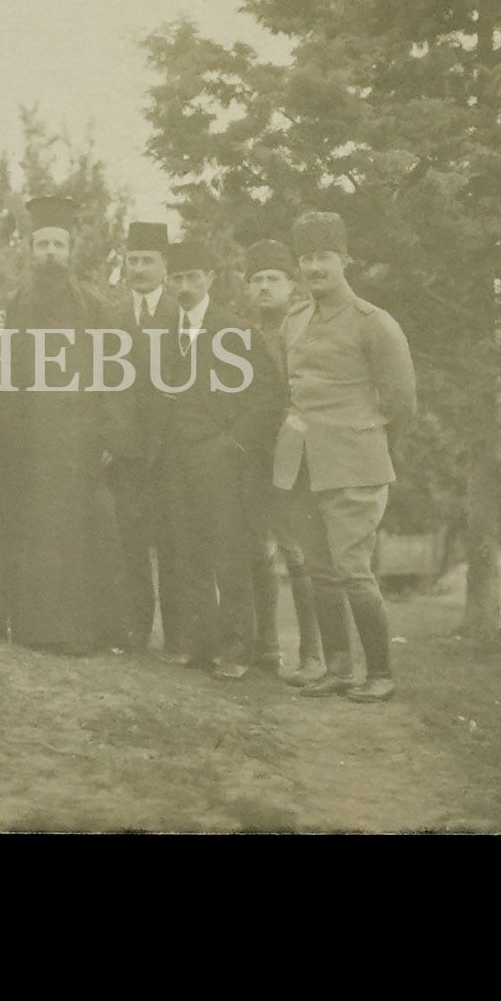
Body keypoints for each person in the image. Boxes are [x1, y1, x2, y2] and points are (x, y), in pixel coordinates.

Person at [274, 212, 416, 703]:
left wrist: (371, 447)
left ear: (345, 260)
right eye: (307, 258)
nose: (315, 267)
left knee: (353, 570)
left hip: (354, 462)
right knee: (319, 569)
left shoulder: (374, 323)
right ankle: (337, 668)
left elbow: (402, 401)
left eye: (325, 257)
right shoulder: (294, 319)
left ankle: (380, 673)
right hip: (302, 461)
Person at [0, 196, 132, 656]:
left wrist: (110, 435)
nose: (50, 253)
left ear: (70, 251)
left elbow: (117, 374)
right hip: (26, 444)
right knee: (30, 534)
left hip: (77, 445)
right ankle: (31, 629)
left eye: (58, 245)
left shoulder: (95, 307)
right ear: (30, 249)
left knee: (80, 535)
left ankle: (79, 633)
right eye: (43, 244)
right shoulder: (9, 306)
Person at [154, 240, 284, 681]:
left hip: (221, 457)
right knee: (187, 552)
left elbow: (267, 395)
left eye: (193, 277)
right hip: (176, 457)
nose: (185, 287)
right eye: (177, 279)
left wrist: (234, 442)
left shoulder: (236, 330)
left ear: (210, 278)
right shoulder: (163, 332)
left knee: (229, 554)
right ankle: (201, 646)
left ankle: (237, 649)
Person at [243, 238, 331, 682]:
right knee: (258, 550)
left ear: (291, 285)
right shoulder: (239, 337)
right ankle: (267, 648)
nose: (264, 287)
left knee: (298, 552)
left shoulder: (306, 331)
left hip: (298, 455)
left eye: (273, 279)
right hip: (253, 456)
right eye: (256, 279)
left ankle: (313, 654)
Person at [108, 221, 185, 656]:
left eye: (147, 261)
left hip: (172, 450)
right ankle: (135, 629)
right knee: (130, 543)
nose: (138, 269)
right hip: (126, 453)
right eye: (133, 260)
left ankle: (179, 635)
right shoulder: (112, 315)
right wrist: (113, 441)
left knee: (173, 543)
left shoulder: (181, 315)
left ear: (164, 265)